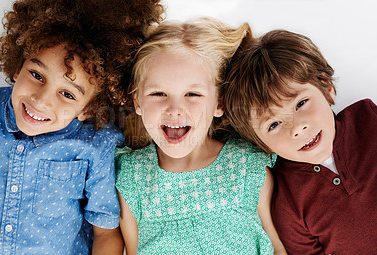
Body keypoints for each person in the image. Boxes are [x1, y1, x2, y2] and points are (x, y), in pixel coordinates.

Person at [0, 0, 163, 254]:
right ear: (19, 62)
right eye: (36, 75)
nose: (41, 100)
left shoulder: (96, 146)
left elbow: (106, 234)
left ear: (88, 109)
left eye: (67, 94)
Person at [115, 17, 286, 254]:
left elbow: (278, 249)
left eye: (192, 94)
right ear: (137, 102)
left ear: (219, 102)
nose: (174, 109)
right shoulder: (131, 177)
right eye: (158, 93)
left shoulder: (247, 166)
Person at [223, 29, 377, 254]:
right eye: (273, 125)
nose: (296, 128)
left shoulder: (367, 119)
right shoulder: (288, 202)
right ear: (263, 145)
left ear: (327, 89)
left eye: (301, 103)